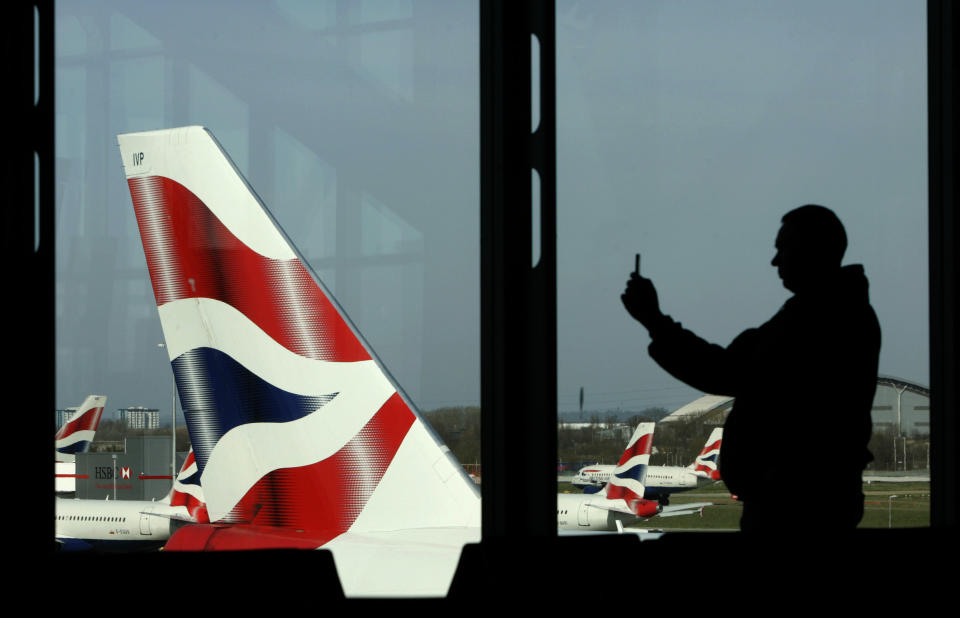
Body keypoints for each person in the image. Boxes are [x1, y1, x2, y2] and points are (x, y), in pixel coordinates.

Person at [621, 205, 880, 532]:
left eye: (783, 248)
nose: (775, 261)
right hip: (804, 499)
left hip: (793, 505)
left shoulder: (817, 320)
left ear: (813, 250)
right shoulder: (836, 312)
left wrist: (655, 321)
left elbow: (726, 371)